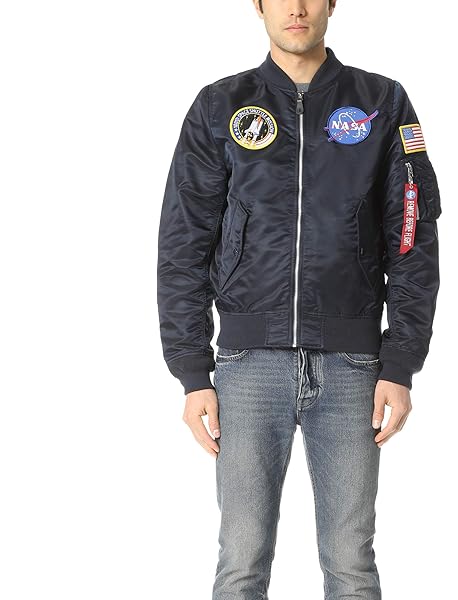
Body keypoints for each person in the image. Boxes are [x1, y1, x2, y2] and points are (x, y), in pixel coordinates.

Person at [156, 1, 442, 598]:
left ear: (333, 2)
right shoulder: (219, 105)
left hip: (353, 367)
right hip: (246, 367)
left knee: (351, 565)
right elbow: (183, 241)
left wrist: (400, 363)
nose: (297, 8)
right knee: (241, 561)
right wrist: (191, 371)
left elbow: (412, 237)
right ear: (257, 5)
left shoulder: (382, 102)